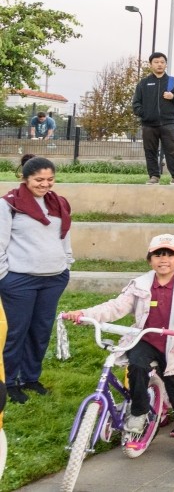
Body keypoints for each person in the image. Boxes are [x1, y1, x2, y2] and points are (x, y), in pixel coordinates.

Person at [64, 234, 174, 462]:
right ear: (149, 259)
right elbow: (116, 307)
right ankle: (139, 412)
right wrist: (85, 314)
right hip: (145, 338)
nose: (164, 260)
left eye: (170, 255)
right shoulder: (140, 284)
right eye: (158, 255)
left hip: (173, 344)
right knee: (137, 366)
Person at [0, 155, 72, 403]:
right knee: (16, 332)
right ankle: (9, 382)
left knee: (41, 331)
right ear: (25, 177)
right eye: (39, 179)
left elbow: (64, 237)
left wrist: (66, 265)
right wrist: (5, 276)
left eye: (50, 179)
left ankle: (30, 378)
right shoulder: (9, 204)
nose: (45, 184)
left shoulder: (59, 203)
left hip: (53, 279)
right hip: (20, 280)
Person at [131, 52, 174, 185]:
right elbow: (136, 104)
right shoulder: (144, 83)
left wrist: (173, 97)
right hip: (148, 125)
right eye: (156, 62)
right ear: (151, 64)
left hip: (167, 123)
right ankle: (154, 176)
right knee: (150, 151)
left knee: (173, 151)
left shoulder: (173, 82)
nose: (159, 64)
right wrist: (145, 114)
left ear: (165, 64)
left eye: (162, 62)